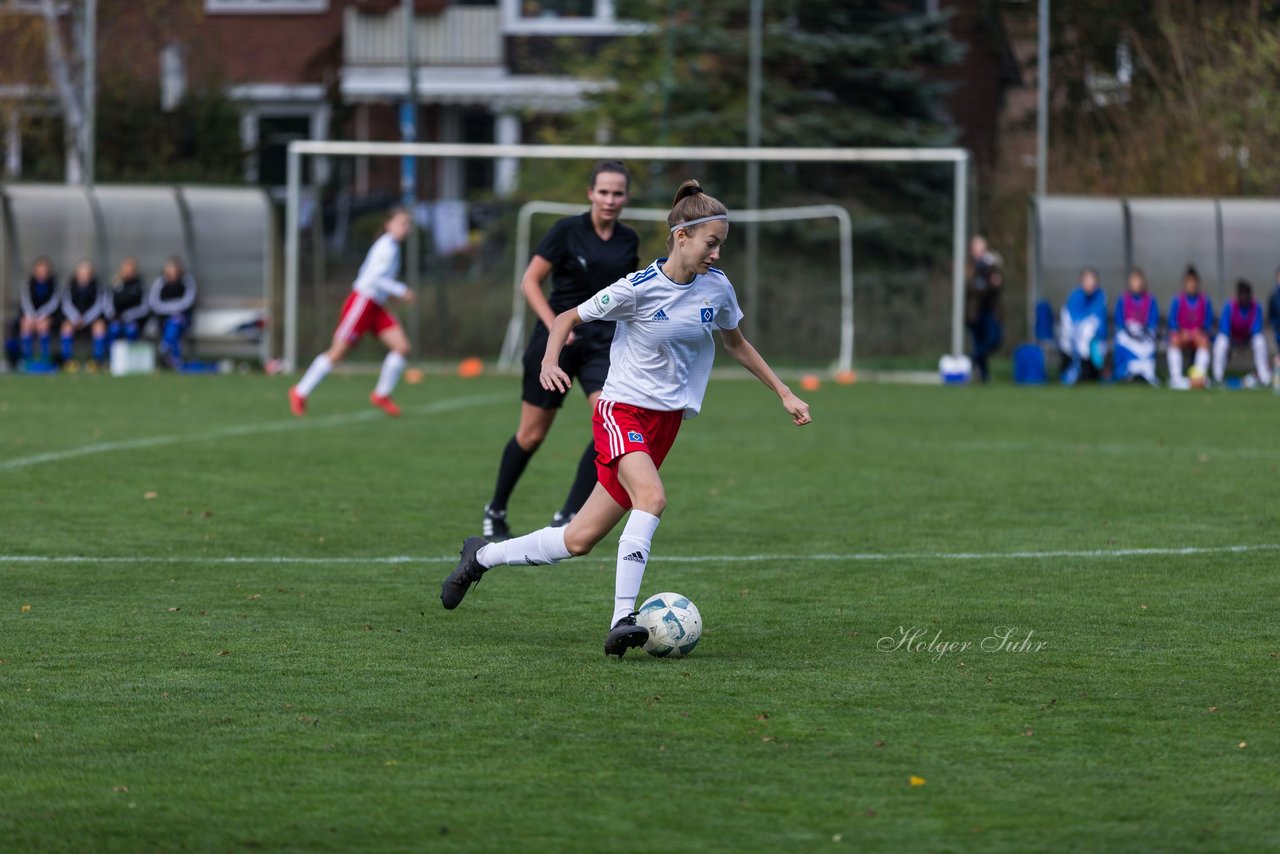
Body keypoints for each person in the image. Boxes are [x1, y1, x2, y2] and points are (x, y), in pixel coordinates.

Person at [440, 180, 813, 657]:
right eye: (711, 243)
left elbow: (735, 342)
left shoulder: (716, 287)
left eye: (721, 244)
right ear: (682, 236)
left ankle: (481, 556)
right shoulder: (636, 289)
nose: (717, 254)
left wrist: (783, 392)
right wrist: (550, 362)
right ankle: (622, 619)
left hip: (665, 424)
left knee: (578, 540)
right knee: (652, 498)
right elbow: (564, 319)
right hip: (621, 411)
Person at [481, 161, 639, 541]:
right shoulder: (566, 231)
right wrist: (557, 324)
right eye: (603, 191)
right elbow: (530, 281)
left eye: (617, 193)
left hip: (604, 345)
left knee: (609, 425)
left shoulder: (628, 240)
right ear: (590, 193)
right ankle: (496, 508)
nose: (610, 200)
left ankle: (569, 514)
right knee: (532, 435)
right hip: (556, 342)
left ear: (626, 198)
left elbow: (628, 297)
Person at [290, 207, 415, 417]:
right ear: (388, 224)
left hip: (375, 305)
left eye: (407, 224)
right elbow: (374, 278)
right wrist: (401, 291)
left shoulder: (392, 247)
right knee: (337, 353)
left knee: (401, 347)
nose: (405, 228)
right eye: (401, 223)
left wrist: (390, 294)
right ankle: (300, 391)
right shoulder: (386, 247)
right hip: (362, 302)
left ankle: (381, 394)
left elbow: (376, 278)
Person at [1212, 279, 1272, 387]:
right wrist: (1232, 344)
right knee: (1221, 341)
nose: (1244, 297)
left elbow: (1256, 328)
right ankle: (1218, 377)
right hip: (1232, 339)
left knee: (1260, 340)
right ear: (1237, 295)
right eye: (1242, 294)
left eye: (1246, 294)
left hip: (1248, 339)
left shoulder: (1256, 307)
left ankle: (1264, 377)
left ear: (1250, 295)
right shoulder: (1229, 306)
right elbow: (1224, 328)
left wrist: (1245, 340)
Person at [1166, 264, 1214, 390]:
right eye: (1189, 282)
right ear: (1184, 283)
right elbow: (1172, 321)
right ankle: (1175, 378)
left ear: (1197, 283)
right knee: (1174, 340)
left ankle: (1198, 376)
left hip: (1197, 336)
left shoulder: (1204, 300)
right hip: (1183, 335)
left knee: (1204, 342)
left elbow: (1208, 322)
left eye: (1194, 282)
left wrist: (1200, 332)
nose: (1191, 285)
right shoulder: (1177, 300)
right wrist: (1181, 332)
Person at [1058, 267, 1108, 385]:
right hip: (1073, 338)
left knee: (1091, 342)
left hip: (1094, 339)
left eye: (1092, 279)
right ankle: (1073, 371)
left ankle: (1092, 373)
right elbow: (1070, 319)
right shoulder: (1075, 296)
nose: (1090, 283)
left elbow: (1099, 322)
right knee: (1074, 342)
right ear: (1081, 281)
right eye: (1087, 279)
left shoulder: (1100, 297)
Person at [964, 235, 1003, 383]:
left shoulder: (991, 264)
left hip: (990, 310)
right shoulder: (968, 265)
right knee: (979, 341)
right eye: (978, 247)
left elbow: (998, 284)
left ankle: (971, 359)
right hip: (974, 312)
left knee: (994, 338)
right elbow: (970, 287)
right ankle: (983, 375)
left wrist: (992, 274)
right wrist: (986, 284)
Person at [1112, 267, 1159, 385]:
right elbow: (1119, 321)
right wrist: (1129, 331)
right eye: (1133, 280)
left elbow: (1152, 321)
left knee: (1148, 345)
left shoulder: (1150, 299)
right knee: (1121, 339)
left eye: (1138, 280)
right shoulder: (1123, 299)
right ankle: (1125, 373)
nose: (1136, 283)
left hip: (1144, 334)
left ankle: (1147, 374)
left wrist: (1143, 331)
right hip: (1128, 333)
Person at [148, 257, 197, 369]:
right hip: (162, 320)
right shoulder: (159, 283)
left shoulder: (187, 282)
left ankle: (165, 348)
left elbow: (188, 302)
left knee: (175, 322)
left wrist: (172, 309)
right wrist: (172, 310)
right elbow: (153, 303)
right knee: (172, 323)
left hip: (183, 319)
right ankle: (174, 358)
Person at [59, 260, 108, 370]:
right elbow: (66, 304)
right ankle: (68, 361)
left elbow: (99, 305)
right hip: (74, 319)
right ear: (77, 274)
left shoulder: (97, 287)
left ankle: (97, 361)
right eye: (82, 273)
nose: (84, 276)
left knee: (100, 327)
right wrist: (76, 318)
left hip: (91, 320)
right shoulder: (70, 287)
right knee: (66, 327)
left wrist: (86, 319)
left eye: (87, 273)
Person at [19, 256, 60, 365]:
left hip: (47, 316)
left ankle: (44, 357)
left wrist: (41, 315)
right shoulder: (27, 284)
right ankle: (26, 358)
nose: (42, 273)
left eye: (45, 271)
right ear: (35, 271)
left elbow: (53, 303)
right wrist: (31, 316)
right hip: (30, 315)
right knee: (25, 324)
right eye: (40, 271)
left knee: (43, 325)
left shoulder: (54, 284)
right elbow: (25, 301)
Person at [106, 258, 149, 344]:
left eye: (131, 270)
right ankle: (112, 355)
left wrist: (129, 315)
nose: (128, 272)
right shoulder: (115, 285)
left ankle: (130, 356)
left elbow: (145, 307)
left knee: (131, 330)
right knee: (114, 329)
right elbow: (108, 304)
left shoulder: (140, 285)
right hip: (117, 319)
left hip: (134, 320)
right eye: (126, 269)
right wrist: (114, 315)